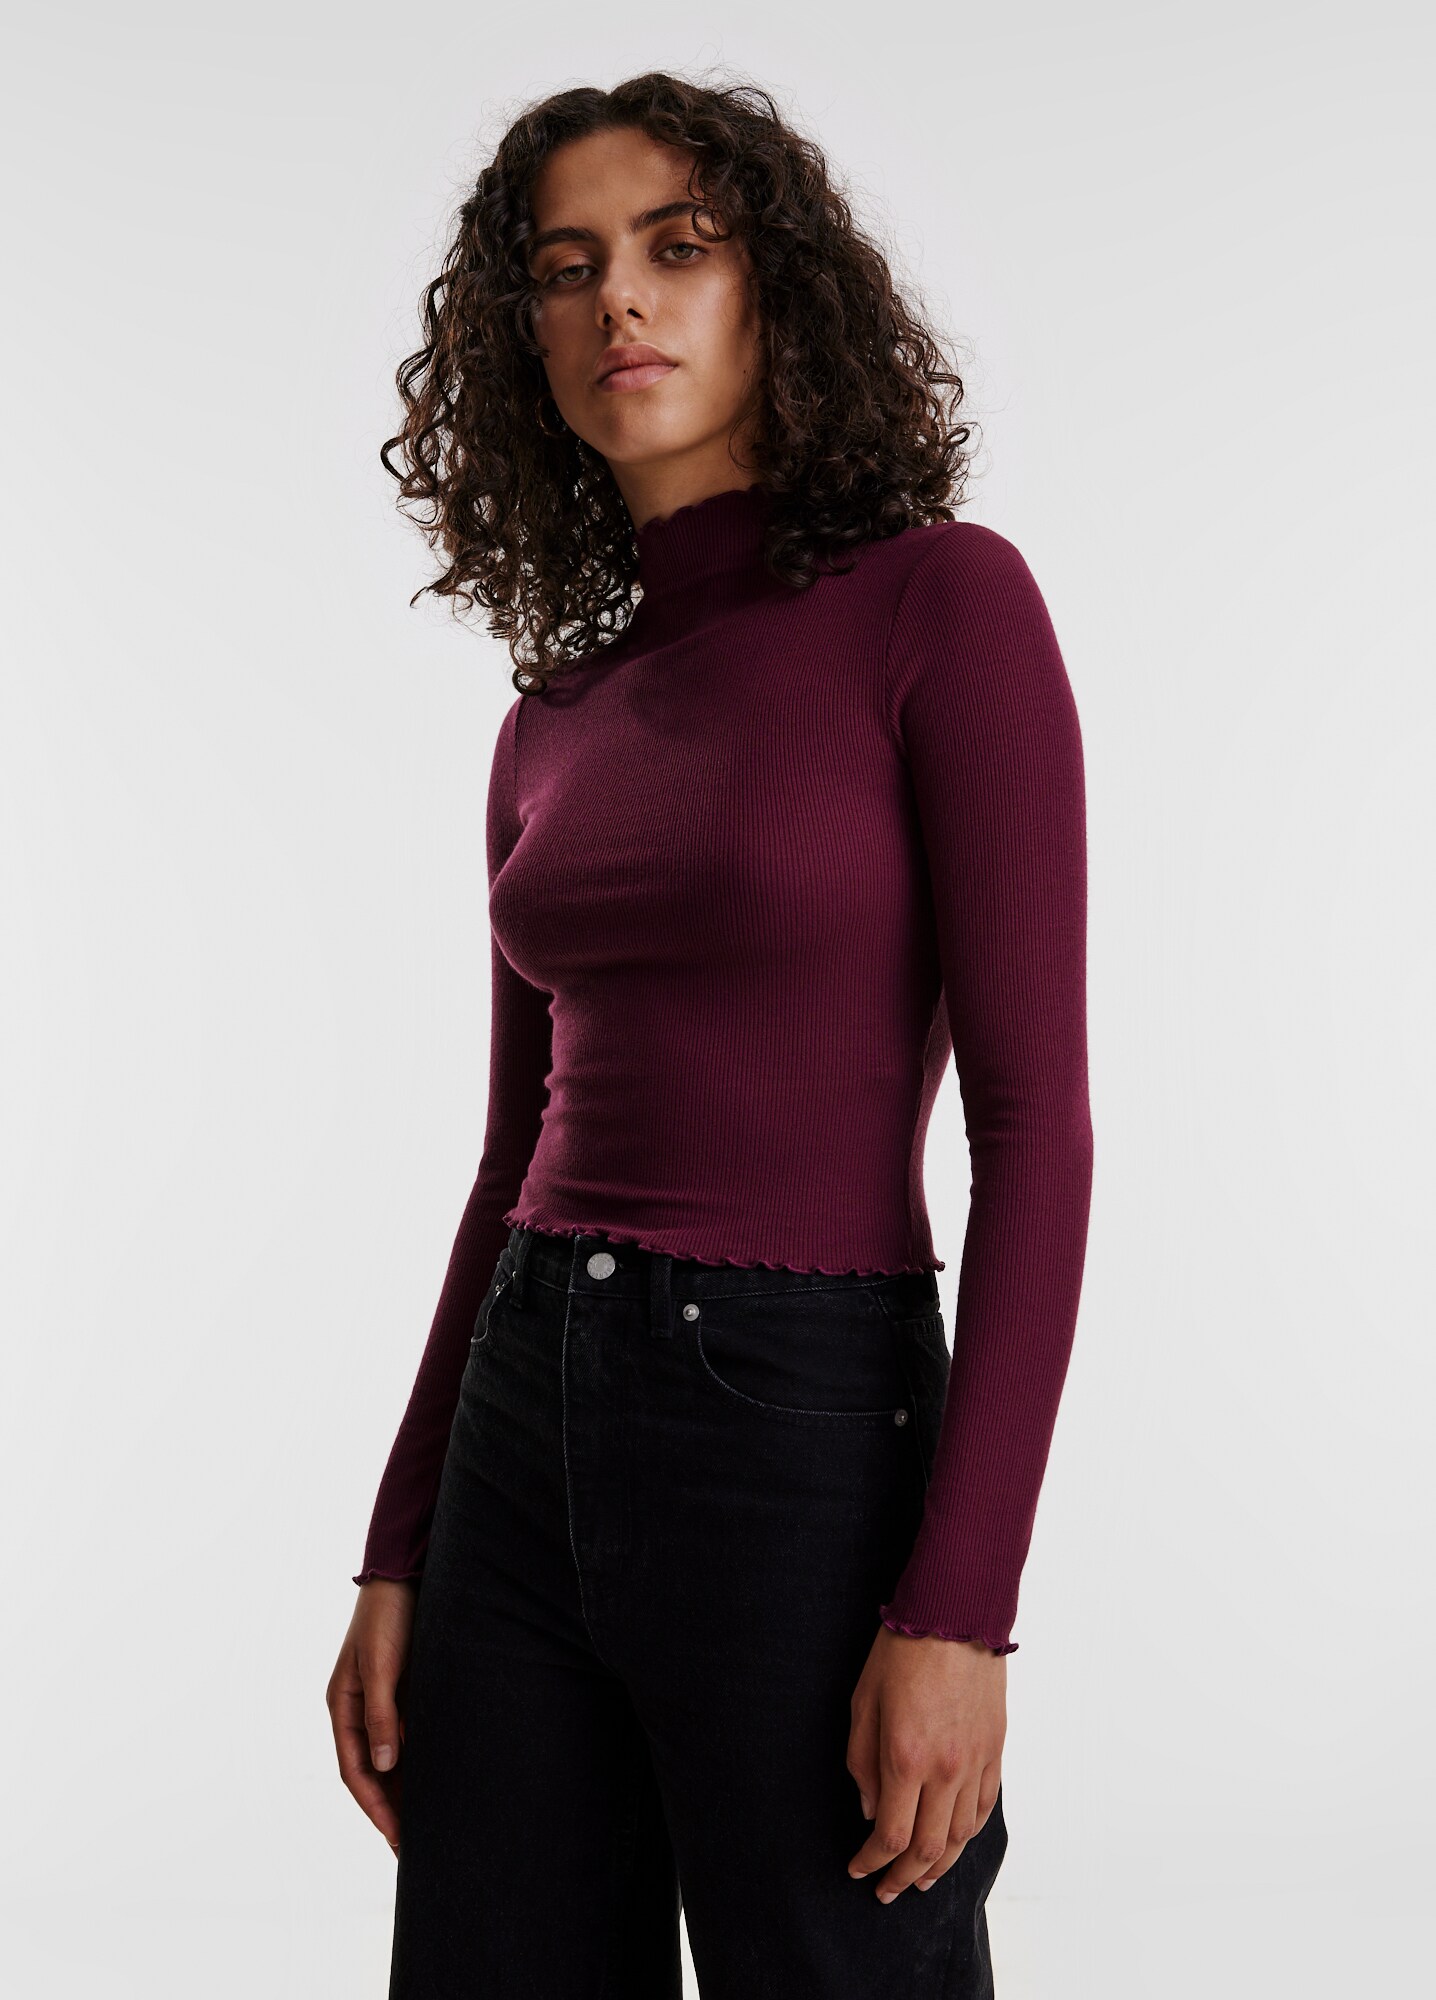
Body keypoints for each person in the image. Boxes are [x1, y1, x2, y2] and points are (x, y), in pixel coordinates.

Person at [326, 70, 1093, 2000]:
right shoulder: (554, 715)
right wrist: (401, 1544)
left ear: (779, 290)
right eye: (565, 267)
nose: (619, 301)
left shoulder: (942, 605)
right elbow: (508, 1159)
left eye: (678, 247)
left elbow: (1035, 1130)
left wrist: (963, 1611)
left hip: (796, 1437)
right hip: (522, 1419)